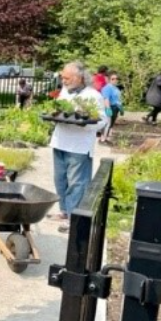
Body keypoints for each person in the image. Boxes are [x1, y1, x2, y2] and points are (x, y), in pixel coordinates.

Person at [49, 62, 108, 233]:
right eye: (63, 77)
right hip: (60, 141)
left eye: (66, 78)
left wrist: (84, 124)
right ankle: (64, 211)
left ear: (79, 77)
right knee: (60, 179)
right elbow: (58, 112)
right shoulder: (64, 92)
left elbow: (102, 120)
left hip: (79, 146)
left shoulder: (93, 95)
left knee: (77, 182)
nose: (63, 80)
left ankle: (73, 216)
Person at [100, 72, 123, 144]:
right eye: (113, 79)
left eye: (116, 79)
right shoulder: (107, 88)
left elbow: (118, 99)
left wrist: (121, 107)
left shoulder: (116, 88)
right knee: (107, 123)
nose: (115, 80)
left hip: (116, 108)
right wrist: (107, 108)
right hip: (110, 107)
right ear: (109, 80)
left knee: (111, 124)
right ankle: (102, 139)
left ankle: (106, 138)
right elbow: (106, 99)